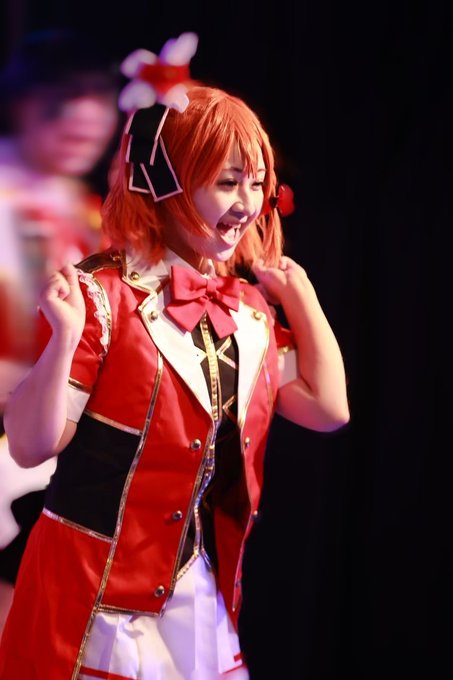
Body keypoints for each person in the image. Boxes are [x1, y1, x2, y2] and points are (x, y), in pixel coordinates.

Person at [0, 31, 349, 680]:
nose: (247, 204)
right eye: (227, 182)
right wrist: (62, 339)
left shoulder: (245, 310)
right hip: (87, 578)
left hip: (189, 582)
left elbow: (328, 409)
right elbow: (32, 442)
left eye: (257, 184)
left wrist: (299, 296)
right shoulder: (104, 292)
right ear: (164, 181)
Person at [0, 28, 121, 637]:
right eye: (70, 124)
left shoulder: (92, 213)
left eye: (95, 133)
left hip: (53, 445)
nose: (84, 138)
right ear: (27, 104)